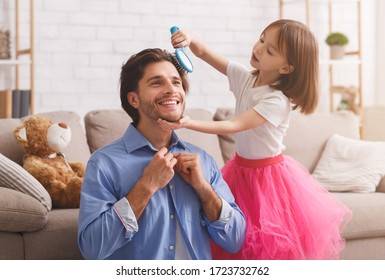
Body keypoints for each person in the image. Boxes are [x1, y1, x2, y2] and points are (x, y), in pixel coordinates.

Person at [159, 19, 352, 260]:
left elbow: (234, 124)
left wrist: (187, 122)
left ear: (286, 68)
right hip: (240, 170)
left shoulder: (276, 101)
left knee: (264, 245)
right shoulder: (245, 77)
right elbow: (205, 52)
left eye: (270, 50)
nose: (258, 48)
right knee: (230, 234)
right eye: (262, 39)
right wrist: (189, 38)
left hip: (270, 179)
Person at [77, 48, 246, 260]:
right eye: (157, 82)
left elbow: (235, 240)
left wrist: (204, 190)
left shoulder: (203, 161)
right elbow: (92, 249)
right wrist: (146, 186)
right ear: (134, 100)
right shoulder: (103, 164)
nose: (172, 89)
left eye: (176, 82)